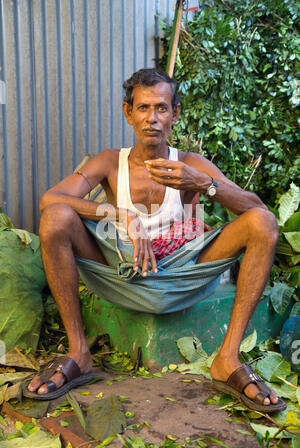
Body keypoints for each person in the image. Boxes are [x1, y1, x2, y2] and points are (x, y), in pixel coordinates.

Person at [24, 68, 285, 412]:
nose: (152, 119)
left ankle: (228, 358)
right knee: (55, 218)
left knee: (262, 223)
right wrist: (121, 215)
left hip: (184, 274)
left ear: (175, 113)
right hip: (122, 271)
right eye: (143, 108)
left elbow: (258, 210)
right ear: (127, 112)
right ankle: (78, 352)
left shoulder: (191, 164)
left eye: (161, 108)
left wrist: (203, 183)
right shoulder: (110, 162)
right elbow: (50, 200)